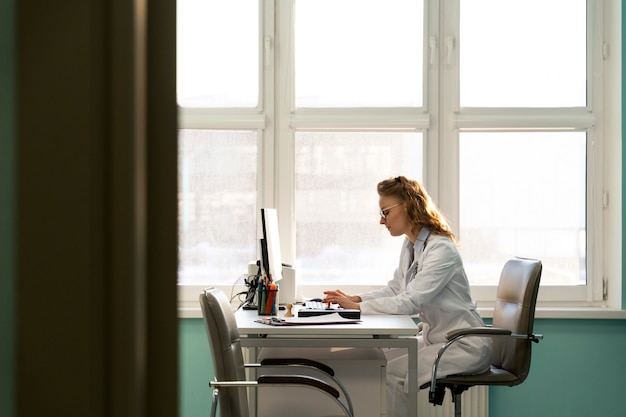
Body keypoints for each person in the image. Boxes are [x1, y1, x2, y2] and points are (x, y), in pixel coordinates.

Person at [323, 175, 492, 417]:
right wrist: (357, 299)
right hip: (436, 339)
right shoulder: (412, 245)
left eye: (385, 212)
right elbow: (395, 289)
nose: (382, 221)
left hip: (462, 345)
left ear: (408, 205)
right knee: (376, 362)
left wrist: (357, 308)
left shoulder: (440, 249)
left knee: (392, 374)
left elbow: (411, 302)